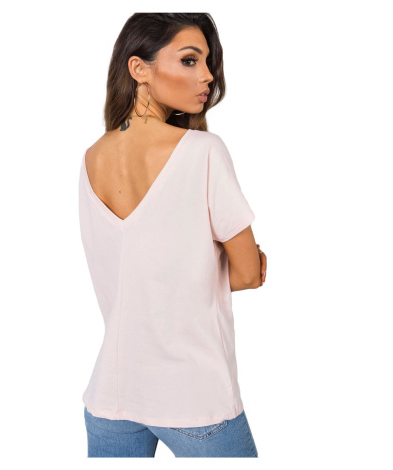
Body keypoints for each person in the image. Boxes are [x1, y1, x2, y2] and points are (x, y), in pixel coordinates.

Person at [79, 13, 267, 458]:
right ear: (138, 68)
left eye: (207, 62)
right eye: (189, 59)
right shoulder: (204, 151)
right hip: (194, 399)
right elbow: (248, 273)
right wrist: (220, 261)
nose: (208, 76)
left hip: (111, 398)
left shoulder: (92, 157)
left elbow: (131, 273)